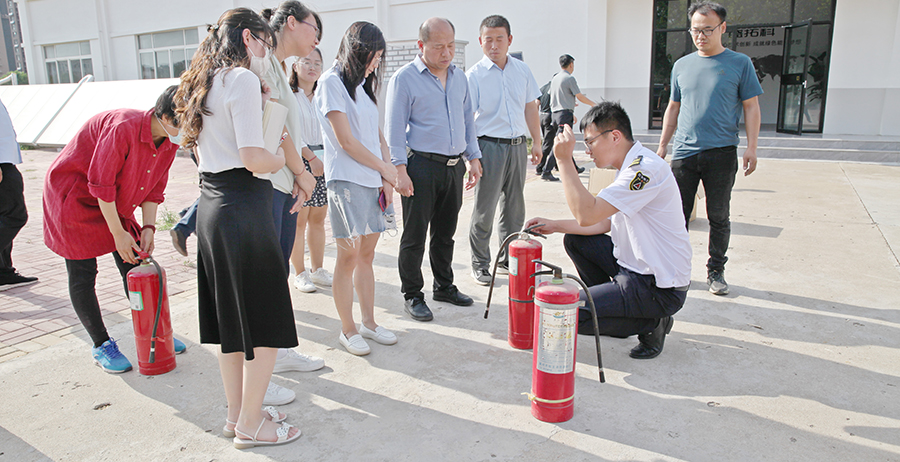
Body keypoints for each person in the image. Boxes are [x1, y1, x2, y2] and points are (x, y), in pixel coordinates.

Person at [176, 8, 301, 448]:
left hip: (211, 205)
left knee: (230, 324)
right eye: (265, 43)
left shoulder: (204, 82)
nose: (267, 53)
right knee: (266, 321)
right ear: (249, 38)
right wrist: (284, 159)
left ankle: (236, 416)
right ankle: (251, 424)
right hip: (244, 206)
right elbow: (253, 157)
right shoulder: (242, 79)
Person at [526, 102, 691, 359]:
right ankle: (614, 308)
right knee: (576, 241)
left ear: (615, 136)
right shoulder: (626, 167)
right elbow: (602, 222)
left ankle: (653, 322)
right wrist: (555, 225)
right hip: (632, 271)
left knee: (568, 313)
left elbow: (588, 213)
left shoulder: (643, 171)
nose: (587, 150)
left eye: (589, 142)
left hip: (657, 287)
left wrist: (563, 159)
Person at [42, 86, 187, 373]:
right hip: (75, 197)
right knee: (83, 273)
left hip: (111, 201)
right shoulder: (124, 127)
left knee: (135, 263)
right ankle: (101, 344)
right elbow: (100, 184)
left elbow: (154, 188)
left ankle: (154, 331)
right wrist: (118, 234)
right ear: (171, 117)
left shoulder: (169, 142)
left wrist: (147, 227)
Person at [656, 1, 762, 296]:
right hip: (685, 154)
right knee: (676, 215)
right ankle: (677, 269)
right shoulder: (682, 65)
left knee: (718, 215)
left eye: (707, 29)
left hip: (721, 152)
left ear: (722, 28)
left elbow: (751, 107)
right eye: (695, 30)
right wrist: (663, 146)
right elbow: (673, 107)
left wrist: (752, 147)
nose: (700, 36)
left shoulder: (739, 64)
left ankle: (716, 270)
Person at [385, 17, 482, 322]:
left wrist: (474, 157)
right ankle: (412, 294)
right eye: (439, 46)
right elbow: (395, 129)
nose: (447, 53)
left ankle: (444, 286)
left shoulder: (459, 78)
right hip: (420, 167)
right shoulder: (404, 79)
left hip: (453, 168)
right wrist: (399, 170)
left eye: (451, 45)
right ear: (421, 45)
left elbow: (468, 121)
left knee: (446, 234)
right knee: (415, 235)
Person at [256, 0, 327, 400]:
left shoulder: (278, 69)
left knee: (277, 272)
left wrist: (298, 174)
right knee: (265, 278)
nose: (316, 40)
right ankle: (258, 380)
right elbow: (275, 126)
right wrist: (302, 170)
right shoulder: (263, 64)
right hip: (268, 183)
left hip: (283, 183)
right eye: (314, 29)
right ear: (293, 23)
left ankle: (279, 351)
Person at [315, 21, 399, 356]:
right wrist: (384, 169)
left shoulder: (363, 85)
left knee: (367, 255)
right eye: (372, 55)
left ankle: (369, 322)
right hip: (346, 181)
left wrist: (386, 176)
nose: (376, 62)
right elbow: (346, 141)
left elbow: (376, 135)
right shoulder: (331, 83)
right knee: (348, 256)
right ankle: (347, 330)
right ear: (357, 51)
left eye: (379, 56)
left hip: (372, 180)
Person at [466, 15, 542, 285]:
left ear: (509, 40)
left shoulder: (522, 70)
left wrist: (537, 141)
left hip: (518, 147)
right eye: (488, 39)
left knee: (514, 207)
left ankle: (507, 257)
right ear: (480, 41)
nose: (494, 45)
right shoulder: (474, 76)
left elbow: (530, 107)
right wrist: (471, 157)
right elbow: (467, 119)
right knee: (484, 209)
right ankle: (480, 262)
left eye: (500, 39)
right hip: (488, 146)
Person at [288, 48, 333, 293]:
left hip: (324, 161)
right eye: (307, 62)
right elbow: (290, 133)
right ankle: (300, 272)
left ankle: (318, 269)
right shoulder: (289, 95)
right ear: (296, 66)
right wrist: (311, 158)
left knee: (319, 217)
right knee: (299, 220)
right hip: (301, 161)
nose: (313, 67)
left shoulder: (323, 94)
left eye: (318, 62)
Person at [0, 100, 38, 291]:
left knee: (3, 216)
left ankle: (3, 272)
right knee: (14, 216)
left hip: (6, 159)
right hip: (2, 162)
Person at [541, 54, 597, 181]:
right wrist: (593, 104)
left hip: (555, 114)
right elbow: (580, 96)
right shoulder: (569, 78)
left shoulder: (555, 79)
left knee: (565, 141)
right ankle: (546, 171)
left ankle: (574, 168)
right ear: (571, 64)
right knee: (560, 143)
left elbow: (555, 96)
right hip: (564, 115)